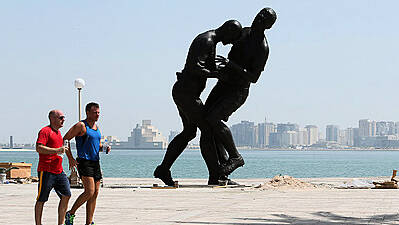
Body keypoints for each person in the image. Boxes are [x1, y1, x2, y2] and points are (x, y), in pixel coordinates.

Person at [154, 20, 243, 186]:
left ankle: (163, 169)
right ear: (228, 30)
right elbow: (195, 67)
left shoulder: (211, 41)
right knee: (208, 129)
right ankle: (215, 175)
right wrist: (217, 75)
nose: (231, 42)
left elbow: (206, 65)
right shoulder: (207, 40)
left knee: (189, 132)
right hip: (186, 94)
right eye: (233, 38)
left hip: (185, 92)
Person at [204, 8, 277, 176]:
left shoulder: (262, 48)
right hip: (223, 84)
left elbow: (253, 77)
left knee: (213, 119)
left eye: (263, 19)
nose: (258, 18)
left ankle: (235, 157)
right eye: (259, 14)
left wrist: (231, 64)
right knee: (208, 123)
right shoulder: (243, 32)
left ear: (268, 26)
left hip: (237, 90)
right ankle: (221, 172)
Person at [63, 102, 111, 225]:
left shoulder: (97, 127)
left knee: (95, 193)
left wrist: (104, 148)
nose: (97, 115)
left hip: (96, 162)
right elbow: (65, 139)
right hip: (84, 161)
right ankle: (70, 213)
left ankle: (89, 222)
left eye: (99, 112)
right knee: (89, 191)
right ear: (88, 112)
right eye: (95, 112)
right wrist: (70, 158)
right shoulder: (81, 126)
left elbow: (96, 145)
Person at [35, 110, 71, 225]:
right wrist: (57, 150)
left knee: (67, 195)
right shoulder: (45, 131)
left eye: (63, 117)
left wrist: (70, 158)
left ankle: (60, 223)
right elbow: (39, 148)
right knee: (41, 199)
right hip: (46, 171)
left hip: (59, 171)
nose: (63, 120)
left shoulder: (59, 133)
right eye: (61, 117)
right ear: (52, 118)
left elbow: (60, 150)